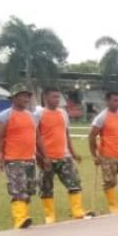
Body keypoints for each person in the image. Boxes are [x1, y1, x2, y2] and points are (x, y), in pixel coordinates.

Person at [36, 88, 91, 224]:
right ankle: (50, 216)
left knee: (74, 183)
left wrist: (73, 153)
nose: (57, 100)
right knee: (46, 186)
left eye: (58, 97)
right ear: (45, 98)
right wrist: (42, 157)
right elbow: (35, 136)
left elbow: (66, 134)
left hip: (64, 156)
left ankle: (77, 211)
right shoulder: (38, 114)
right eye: (54, 97)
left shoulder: (63, 113)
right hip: (47, 157)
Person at [0, 84, 40, 229]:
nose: (26, 99)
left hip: (30, 158)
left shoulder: (31, 116)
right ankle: (20, 219)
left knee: (29, 188)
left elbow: (37, 137)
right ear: (14, 98)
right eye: (22, 95)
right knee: (18, 189)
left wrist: (43, 156)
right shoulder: (4, 117)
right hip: (13, 159)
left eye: (27, 96)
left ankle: (25, 217)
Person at [89, 91, 118, 213]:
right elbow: (92, 136)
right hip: (107, 156)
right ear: (107, 101)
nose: (117, 103)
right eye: (114, 100)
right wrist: (94, 155)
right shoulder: (101, 117)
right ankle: (113, 206)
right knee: (109, 181)